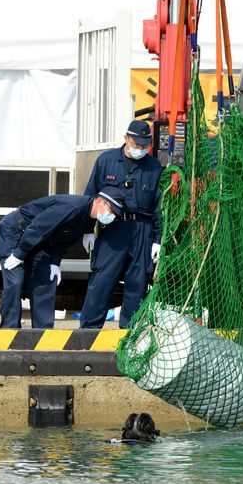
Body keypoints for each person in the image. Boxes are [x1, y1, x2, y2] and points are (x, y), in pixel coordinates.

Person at [0, 187, 123, 328]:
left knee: (45, 281)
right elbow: (38, 227)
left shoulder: (87, 218)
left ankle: (43, 332)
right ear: (99, 201)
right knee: (15, 282)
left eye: (115, 214)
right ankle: (9, 330)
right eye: (111, 211)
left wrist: (54, 262)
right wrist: (19, 254)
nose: (112, 216)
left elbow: (62, 240)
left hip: (39, 239)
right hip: (16, 230)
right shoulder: (72, 207)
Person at [80, 119, 163, 329]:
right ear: (126, 139)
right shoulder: (106, 161)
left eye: (145, 145)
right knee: (102, 280)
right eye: (137, 144)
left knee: (137, 283)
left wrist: (158, 240)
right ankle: (88, 331)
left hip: (142, 231)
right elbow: (90, 197)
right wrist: (88, 229)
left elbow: (159, 207)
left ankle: (130, 333)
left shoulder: (154, 167)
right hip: (113, 229)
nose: (141, 149)